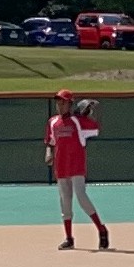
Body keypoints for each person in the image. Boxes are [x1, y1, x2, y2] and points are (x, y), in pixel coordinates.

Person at [45, 88, 108, 251]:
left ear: (70, 104)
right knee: (65, 202)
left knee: (81, 197)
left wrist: (90, 113)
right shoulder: (53, 121)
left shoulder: (78, 121)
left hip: (76, 166)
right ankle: (69, 238)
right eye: (58, 102)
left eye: (63, 102)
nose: (60, 105)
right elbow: (50, 141)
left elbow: (96, 129)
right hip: (61, 166)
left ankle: (101, 229)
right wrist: (48, 153)